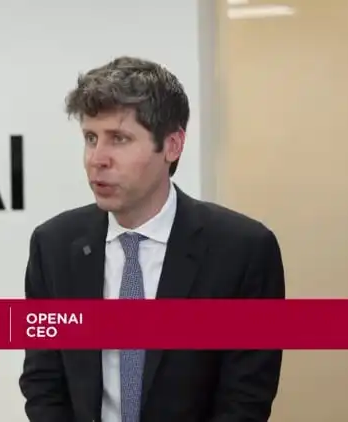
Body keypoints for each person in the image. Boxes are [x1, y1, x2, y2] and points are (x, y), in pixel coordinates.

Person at [18, 56, 285, 422]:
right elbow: (43, 382)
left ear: (172, 146)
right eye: (91, 138)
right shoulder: (53, 246)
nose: (97, 159)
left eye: (119, 139)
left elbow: (245, 399)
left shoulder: (244, 251)